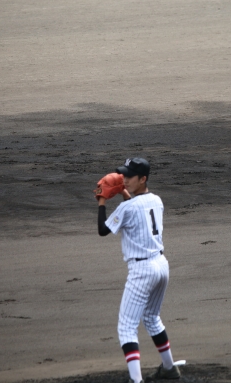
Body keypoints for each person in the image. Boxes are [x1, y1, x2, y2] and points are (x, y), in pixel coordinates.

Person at [97, 157, 181, 383]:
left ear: (142, 179)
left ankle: (136, 380)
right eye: (124, 174)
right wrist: (124, 193)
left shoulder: (127, 208)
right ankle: (169, 368)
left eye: (130, 176)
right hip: (161, 266)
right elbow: (138, 210)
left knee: (126, 327)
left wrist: (102, 200)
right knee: (152, 318)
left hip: (142, 270)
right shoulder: (157, 200)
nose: (124, 179)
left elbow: (102, 230)